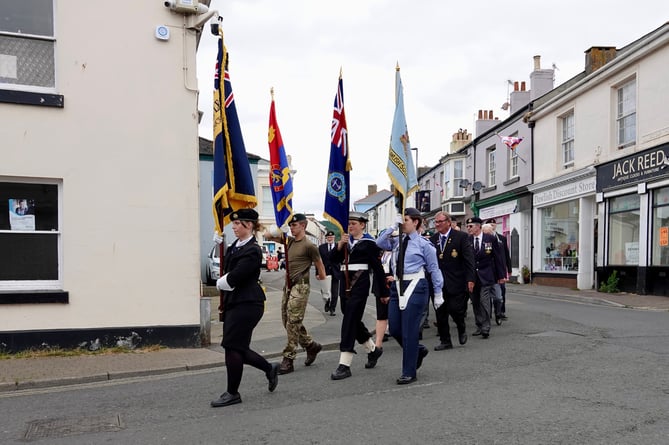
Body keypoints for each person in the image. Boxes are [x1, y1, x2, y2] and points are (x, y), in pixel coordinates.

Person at [210, 208, 279, 408]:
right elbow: (227, 266)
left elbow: (237, 275)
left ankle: (232, 393)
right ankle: (269, 368)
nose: (234, 227)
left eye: (238, 224)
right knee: (237, 347)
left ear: (249, 225)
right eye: (234, 224)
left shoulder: (253, 250)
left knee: (231, 346)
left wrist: (222, 282)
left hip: (248, 303)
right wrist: (221, 246)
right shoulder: (236, 245)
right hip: (236, 301)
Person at [376, 207, 443, 385]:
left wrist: (438, 292)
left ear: (415, 222)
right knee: (396, 328)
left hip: (416, 285)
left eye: (406, 220)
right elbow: (379, 242)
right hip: (398, 286)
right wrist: (392, 226)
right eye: (402, 219)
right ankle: (418, 350)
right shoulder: (397, 241)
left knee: (409, 331)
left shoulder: (424, 244)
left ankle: (409, 371)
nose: (403, 223)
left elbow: (434, 269)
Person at [328, 212, 388, 380]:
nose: (350, 226)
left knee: (349, 321)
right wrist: (340, 245)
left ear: (362, 225)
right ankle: (373, 350)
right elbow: (331, 259)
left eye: (354, 223)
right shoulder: (345, 243)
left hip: (360, 285)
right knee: (351, 318)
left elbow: (378, 268)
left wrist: (383, 292)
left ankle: (344, 364)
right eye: (349, 223)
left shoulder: (369, 243)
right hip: (344, 284)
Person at [267, 213, 327, 375]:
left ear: (303, 226)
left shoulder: (309, 245)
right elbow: (267, 235)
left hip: (301, 285)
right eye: (291, 226)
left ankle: (289, 358)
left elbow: (320, 265)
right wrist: (278, 229)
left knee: (293, 321)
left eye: (294, 225)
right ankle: (310, 345)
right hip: (289, 285)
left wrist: (322, 279)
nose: (292, 228)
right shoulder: (289, 241)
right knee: (287, 320)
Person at [429, 211, 475, 351]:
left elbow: (469, 260)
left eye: (440, 221)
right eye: (435, 222)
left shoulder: (461, 237)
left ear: (448, 222)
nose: (437, 224)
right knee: (441, 313)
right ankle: (445, 340)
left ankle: (461, 327)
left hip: (456, 281)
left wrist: (470, 279)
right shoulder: (432, 239)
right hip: (438, 283)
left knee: (455, 309)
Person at [465, 217, 506, 339]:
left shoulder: (490, 239)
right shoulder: (467, 240)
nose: (468, 228)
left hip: (486, 275)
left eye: (470, 226)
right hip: (472, 277)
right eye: (467, 226)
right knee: (475, 302)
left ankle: (486, 326)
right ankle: (479, 324)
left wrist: (501, 275)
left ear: (478, 226)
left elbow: (498, 258)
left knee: (484, 301)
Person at [485, 218, 512, 321]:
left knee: (501, 291)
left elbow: (506, 254)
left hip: (500, 269)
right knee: (489, 293)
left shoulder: (501, 238)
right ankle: (489, 312)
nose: (492, 226)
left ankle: (501, 311)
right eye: (490, 224)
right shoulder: (485, 239)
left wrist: (508, 269)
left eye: (493, 224)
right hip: (489, 270)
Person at [318, 230, 341, 316]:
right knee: (325, 291)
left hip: (336, 271)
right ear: (326, 238)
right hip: (325, 271)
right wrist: (318, 272)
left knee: (335, 292)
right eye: (328, 237)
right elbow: (318, 261)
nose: (330, 238)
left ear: (334, 238)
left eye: (331, 237)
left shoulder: (338, 246)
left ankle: (332, 309)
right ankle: (327, 303)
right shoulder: (321, 247)